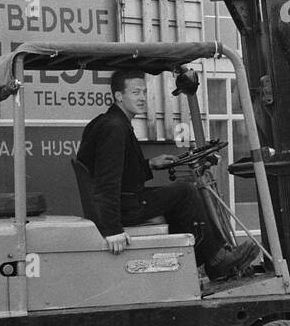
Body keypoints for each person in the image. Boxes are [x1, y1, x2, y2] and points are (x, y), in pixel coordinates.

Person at [77, 71, 258, 280]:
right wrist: (112, 229)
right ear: (119, 96)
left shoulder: (111, 122)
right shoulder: (115, 128)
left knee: (178, 198)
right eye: (135, 92)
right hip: (123, 208)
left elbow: (120, 170)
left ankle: (199, 263)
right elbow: (107, 181)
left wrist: (150, 164)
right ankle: (216, 261)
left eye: (144, 92)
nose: (143, 98)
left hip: (125, 200)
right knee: (186, 191)